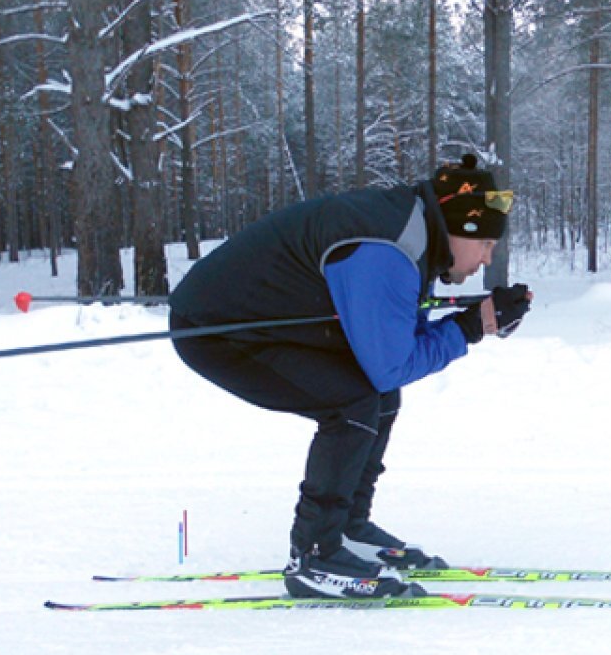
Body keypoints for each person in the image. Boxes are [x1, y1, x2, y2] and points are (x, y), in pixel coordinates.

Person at [168, 154, 532, 599]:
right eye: (486, 245)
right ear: (460, 228)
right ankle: (314, 556)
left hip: (263, 320)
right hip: (218, 332)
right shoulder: (390, 250)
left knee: (378, 398)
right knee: (353, 402)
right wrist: (471, 327)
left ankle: (347, 530)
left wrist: (472, 320)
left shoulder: (414, 231)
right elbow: (390, 363)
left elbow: (397, 340)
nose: (486, 259)